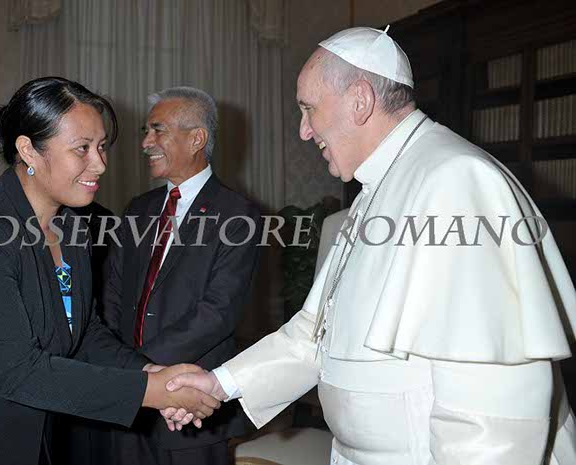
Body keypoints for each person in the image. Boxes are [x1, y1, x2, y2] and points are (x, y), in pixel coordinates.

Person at [164, 27, 576, 465]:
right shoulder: (379, 188)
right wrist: (220, 383)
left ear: (360, 100)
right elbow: (314, 335)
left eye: (308, 109)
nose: (304, 130)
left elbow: (492, 409)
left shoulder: (455, 180)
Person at [0, 77, 220, 465]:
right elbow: (15, 372)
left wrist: (151, 372)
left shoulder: (71, 227)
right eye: (82, 148)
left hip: (16, 442)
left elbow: (83, 331)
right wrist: (150, 391)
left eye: (102, 147)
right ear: (29, 151)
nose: (100, 164)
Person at [63, 86, 261, 465]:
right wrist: (126, 372)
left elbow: (218, 312)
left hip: (190, 406)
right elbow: (113, 295)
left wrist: (140, 370)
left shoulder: (238, 214)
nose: (145, 143)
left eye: (157, 130)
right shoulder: (138, 209)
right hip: (127, 405)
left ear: (196, 138)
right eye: (145, 131)